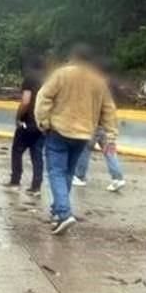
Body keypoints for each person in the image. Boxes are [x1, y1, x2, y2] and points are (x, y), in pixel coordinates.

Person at [35, 44, 118, 235]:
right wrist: (111, 134)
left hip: (59, 130)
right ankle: (57, 212)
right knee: (68, 173)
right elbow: (108, 109)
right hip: (83, 135)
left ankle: (64, 213)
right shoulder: (98, 80)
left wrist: (43, 122)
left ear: (73, 57)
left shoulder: (61, 74)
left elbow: (44, 97)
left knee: (56, 172)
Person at [4, 55, 45, 195]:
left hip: (28, 122)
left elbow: (26, 101)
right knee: (37, 154)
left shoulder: (30, 79)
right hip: (42, 123)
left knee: (17, 150)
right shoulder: (49, 80)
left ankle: (15, 181)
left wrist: (18, 117)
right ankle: (36, 186)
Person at [73, 125, 126, 192]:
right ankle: (118, 179)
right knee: (110, 153)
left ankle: (79, 176)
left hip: (93, 126)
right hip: (108, 128)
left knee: (85, 148)